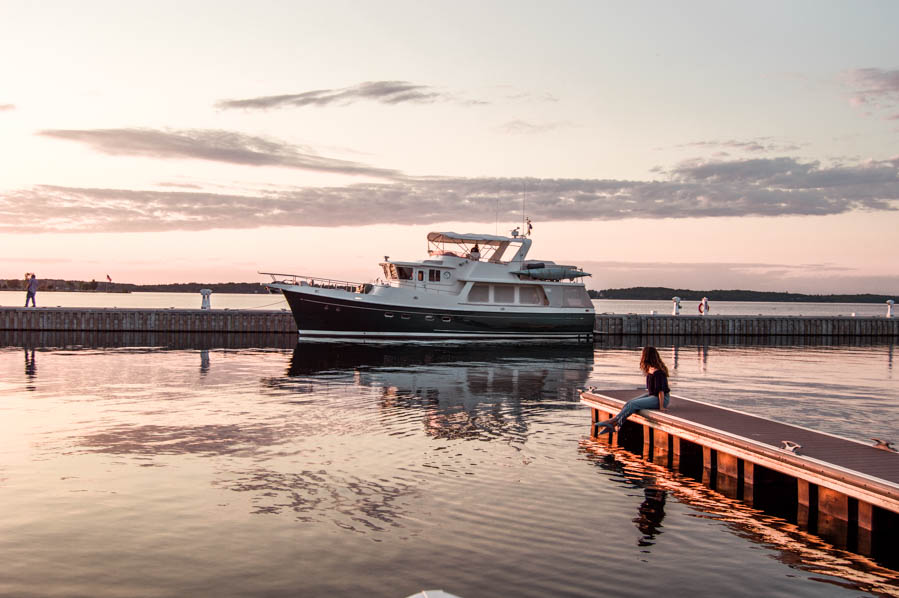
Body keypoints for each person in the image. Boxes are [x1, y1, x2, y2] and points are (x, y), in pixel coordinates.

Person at [597, 346, 670, 434]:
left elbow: (661, 391)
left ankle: (612, 422)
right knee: (629, 402)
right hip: (653, 396)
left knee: (633, 404)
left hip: (661, 399)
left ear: (647, 357)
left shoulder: (658, 372)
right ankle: (614, 423)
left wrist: (661, 406)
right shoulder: (650, 369)